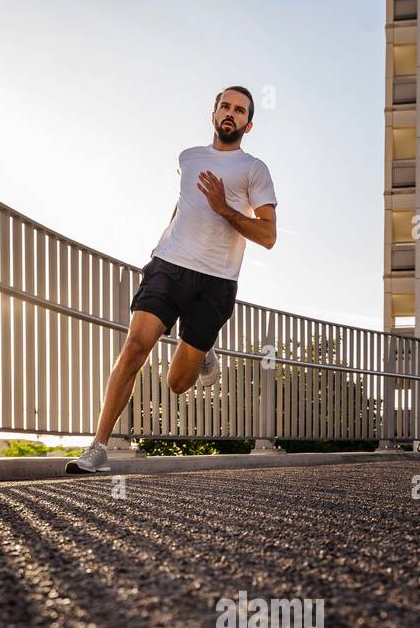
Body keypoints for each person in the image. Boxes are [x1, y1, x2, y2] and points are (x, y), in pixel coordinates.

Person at [66, 86, 278, 474]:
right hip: (169, 265)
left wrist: (223, 207)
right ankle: (97, 448)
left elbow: (268, 235)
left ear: (249, 124)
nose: (231, 114)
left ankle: (203, 349)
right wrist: (164, 241)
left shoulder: (254, 169)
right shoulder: (189, 158)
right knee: (134, 348)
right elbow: (184, 206)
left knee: (178, 383)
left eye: (240, 110)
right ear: (213, 114)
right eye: (225, 107)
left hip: (215, 283)